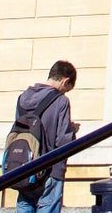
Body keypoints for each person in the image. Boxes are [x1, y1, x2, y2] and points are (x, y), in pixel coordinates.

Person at [11, 60, 82, 213]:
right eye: (66, 89)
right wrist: (72, 130)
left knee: (24, 205)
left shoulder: (22, 98)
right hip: (50, 170)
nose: (64, 92)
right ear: (65, 80)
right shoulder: (61, 101)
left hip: (24, 168)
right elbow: (63, 141)